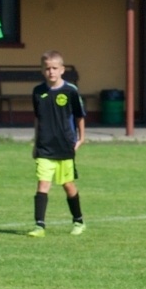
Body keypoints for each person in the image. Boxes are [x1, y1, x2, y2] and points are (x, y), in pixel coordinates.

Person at [28, 51, 85, 237]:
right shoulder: (38, 92)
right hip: (45, 147)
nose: (51, 72)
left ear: (62, 70)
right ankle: (39, 226)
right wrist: (36, 143)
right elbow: (38, 118)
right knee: (42, 185)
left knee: (68, 185)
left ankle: (78, 221)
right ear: (42, 71)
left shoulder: (70, 91)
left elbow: (79, 116)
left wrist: (81, 138)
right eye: (47, 68)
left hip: (65, 146)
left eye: (54, 68)